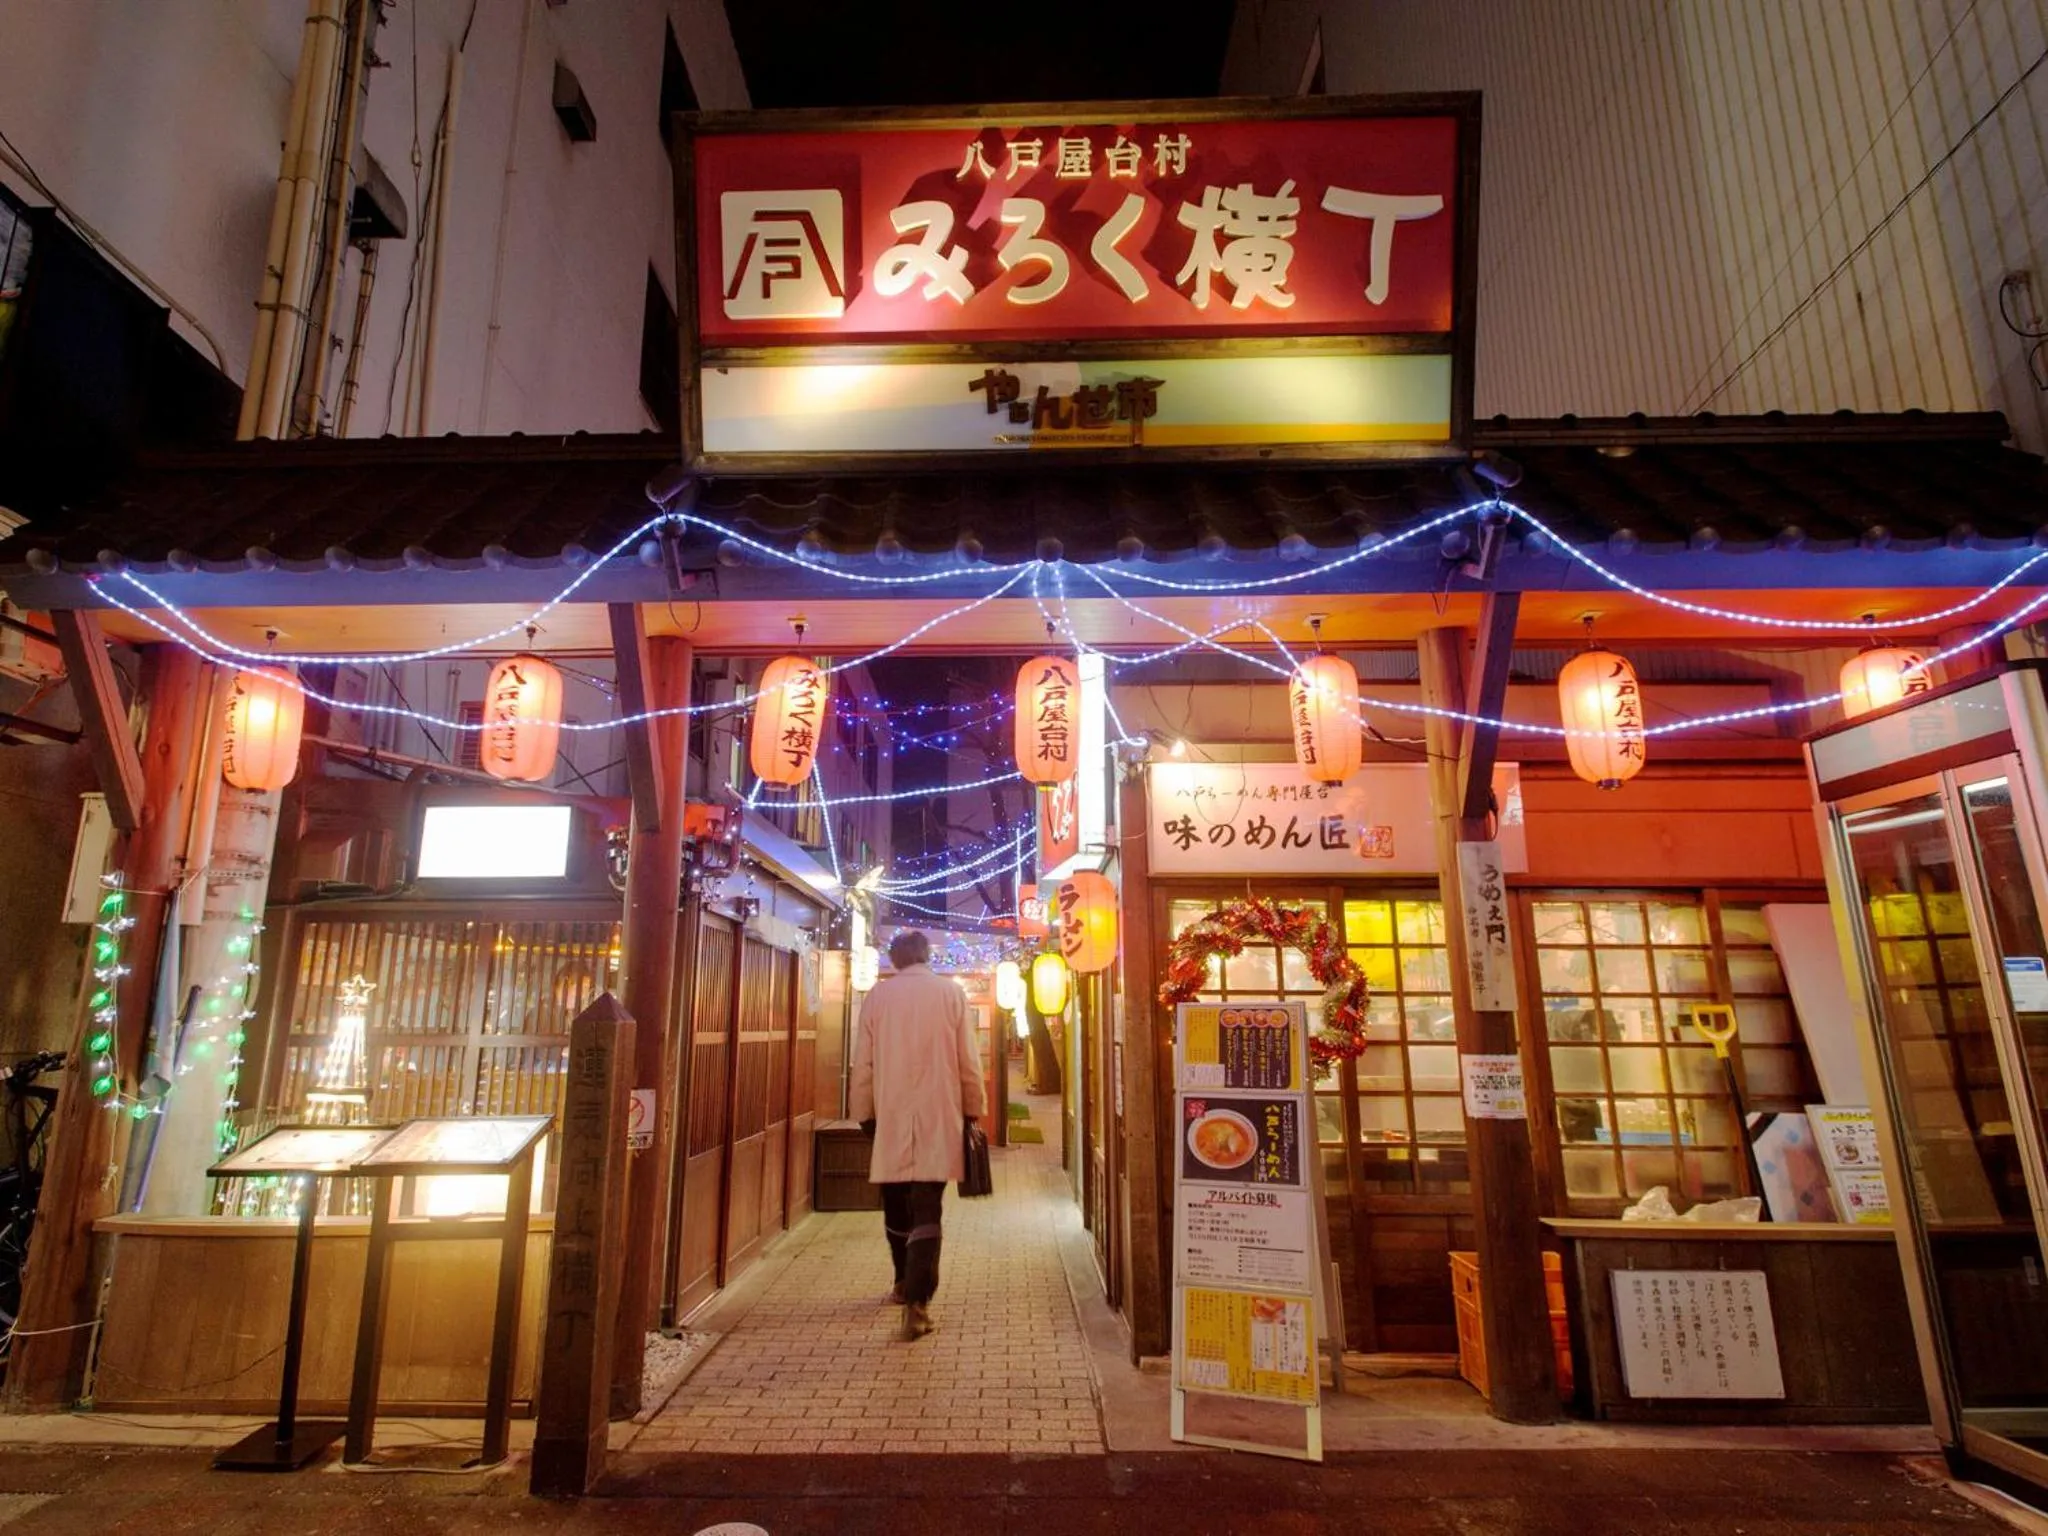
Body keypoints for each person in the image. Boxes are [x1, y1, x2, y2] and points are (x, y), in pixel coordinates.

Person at [849, 929, 987, 1341]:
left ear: (895, 959)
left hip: (888, 1117)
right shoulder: (949, 994)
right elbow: (968, 1059)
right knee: (928, 1208)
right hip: (939, 1115)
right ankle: (918, 1304)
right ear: (927, 956)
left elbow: (864, 1065)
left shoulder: (878, 997)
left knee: (895, 1205)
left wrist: (863, 1116)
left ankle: (901, 1282)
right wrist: (973, 1108)